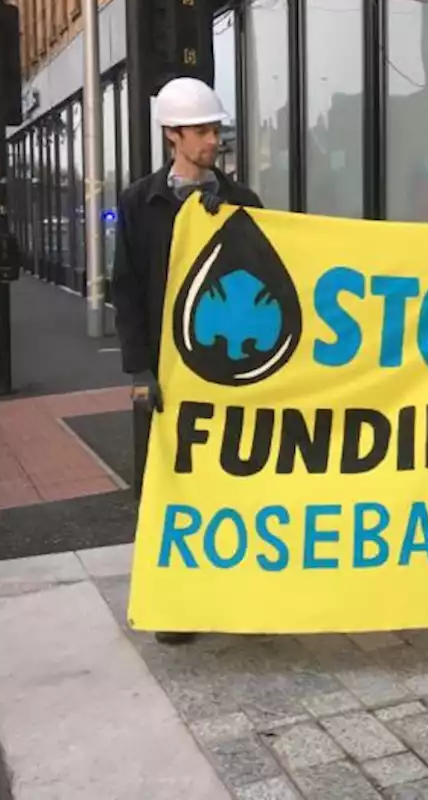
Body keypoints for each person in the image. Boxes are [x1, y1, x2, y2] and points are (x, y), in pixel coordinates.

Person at [112, 76, 262, 645]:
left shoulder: (242, 200)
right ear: (172, 134)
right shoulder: (138, 201)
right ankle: (173, 606)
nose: (211, 140)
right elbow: (126, 288)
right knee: (164, 487)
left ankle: (230, 594)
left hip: (224, 363)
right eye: (201, 130)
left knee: (228, 480)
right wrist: (139, 370)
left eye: (214, 129)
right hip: (165, 370)